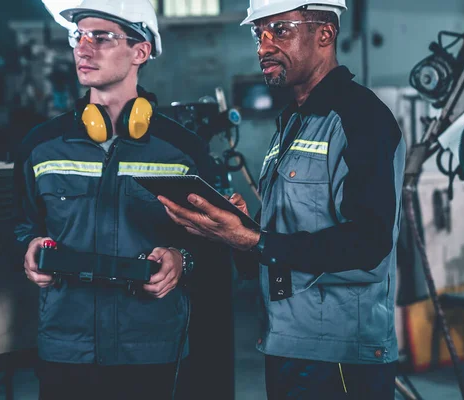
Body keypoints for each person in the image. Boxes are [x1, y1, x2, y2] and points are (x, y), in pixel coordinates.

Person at [158, 0, 407, 399]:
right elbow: (286, 237)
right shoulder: (293, 121)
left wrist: (253, 240)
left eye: (280, 30)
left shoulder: (360, 118)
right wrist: (235, 230)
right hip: (286, 342)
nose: (263, 46)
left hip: (340, 354)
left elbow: (369, 246)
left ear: (324, 33)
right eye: (259, 33)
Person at [12, 0, 217, 398]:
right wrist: (28, 247)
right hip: (65, 349)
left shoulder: (183, 151)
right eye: (78, 36)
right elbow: (22, 226)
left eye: (101, 37)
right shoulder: (40, 146)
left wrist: (182, 259)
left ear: (141, 52)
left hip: (151, 349)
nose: (83, 49)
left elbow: (216, 245)